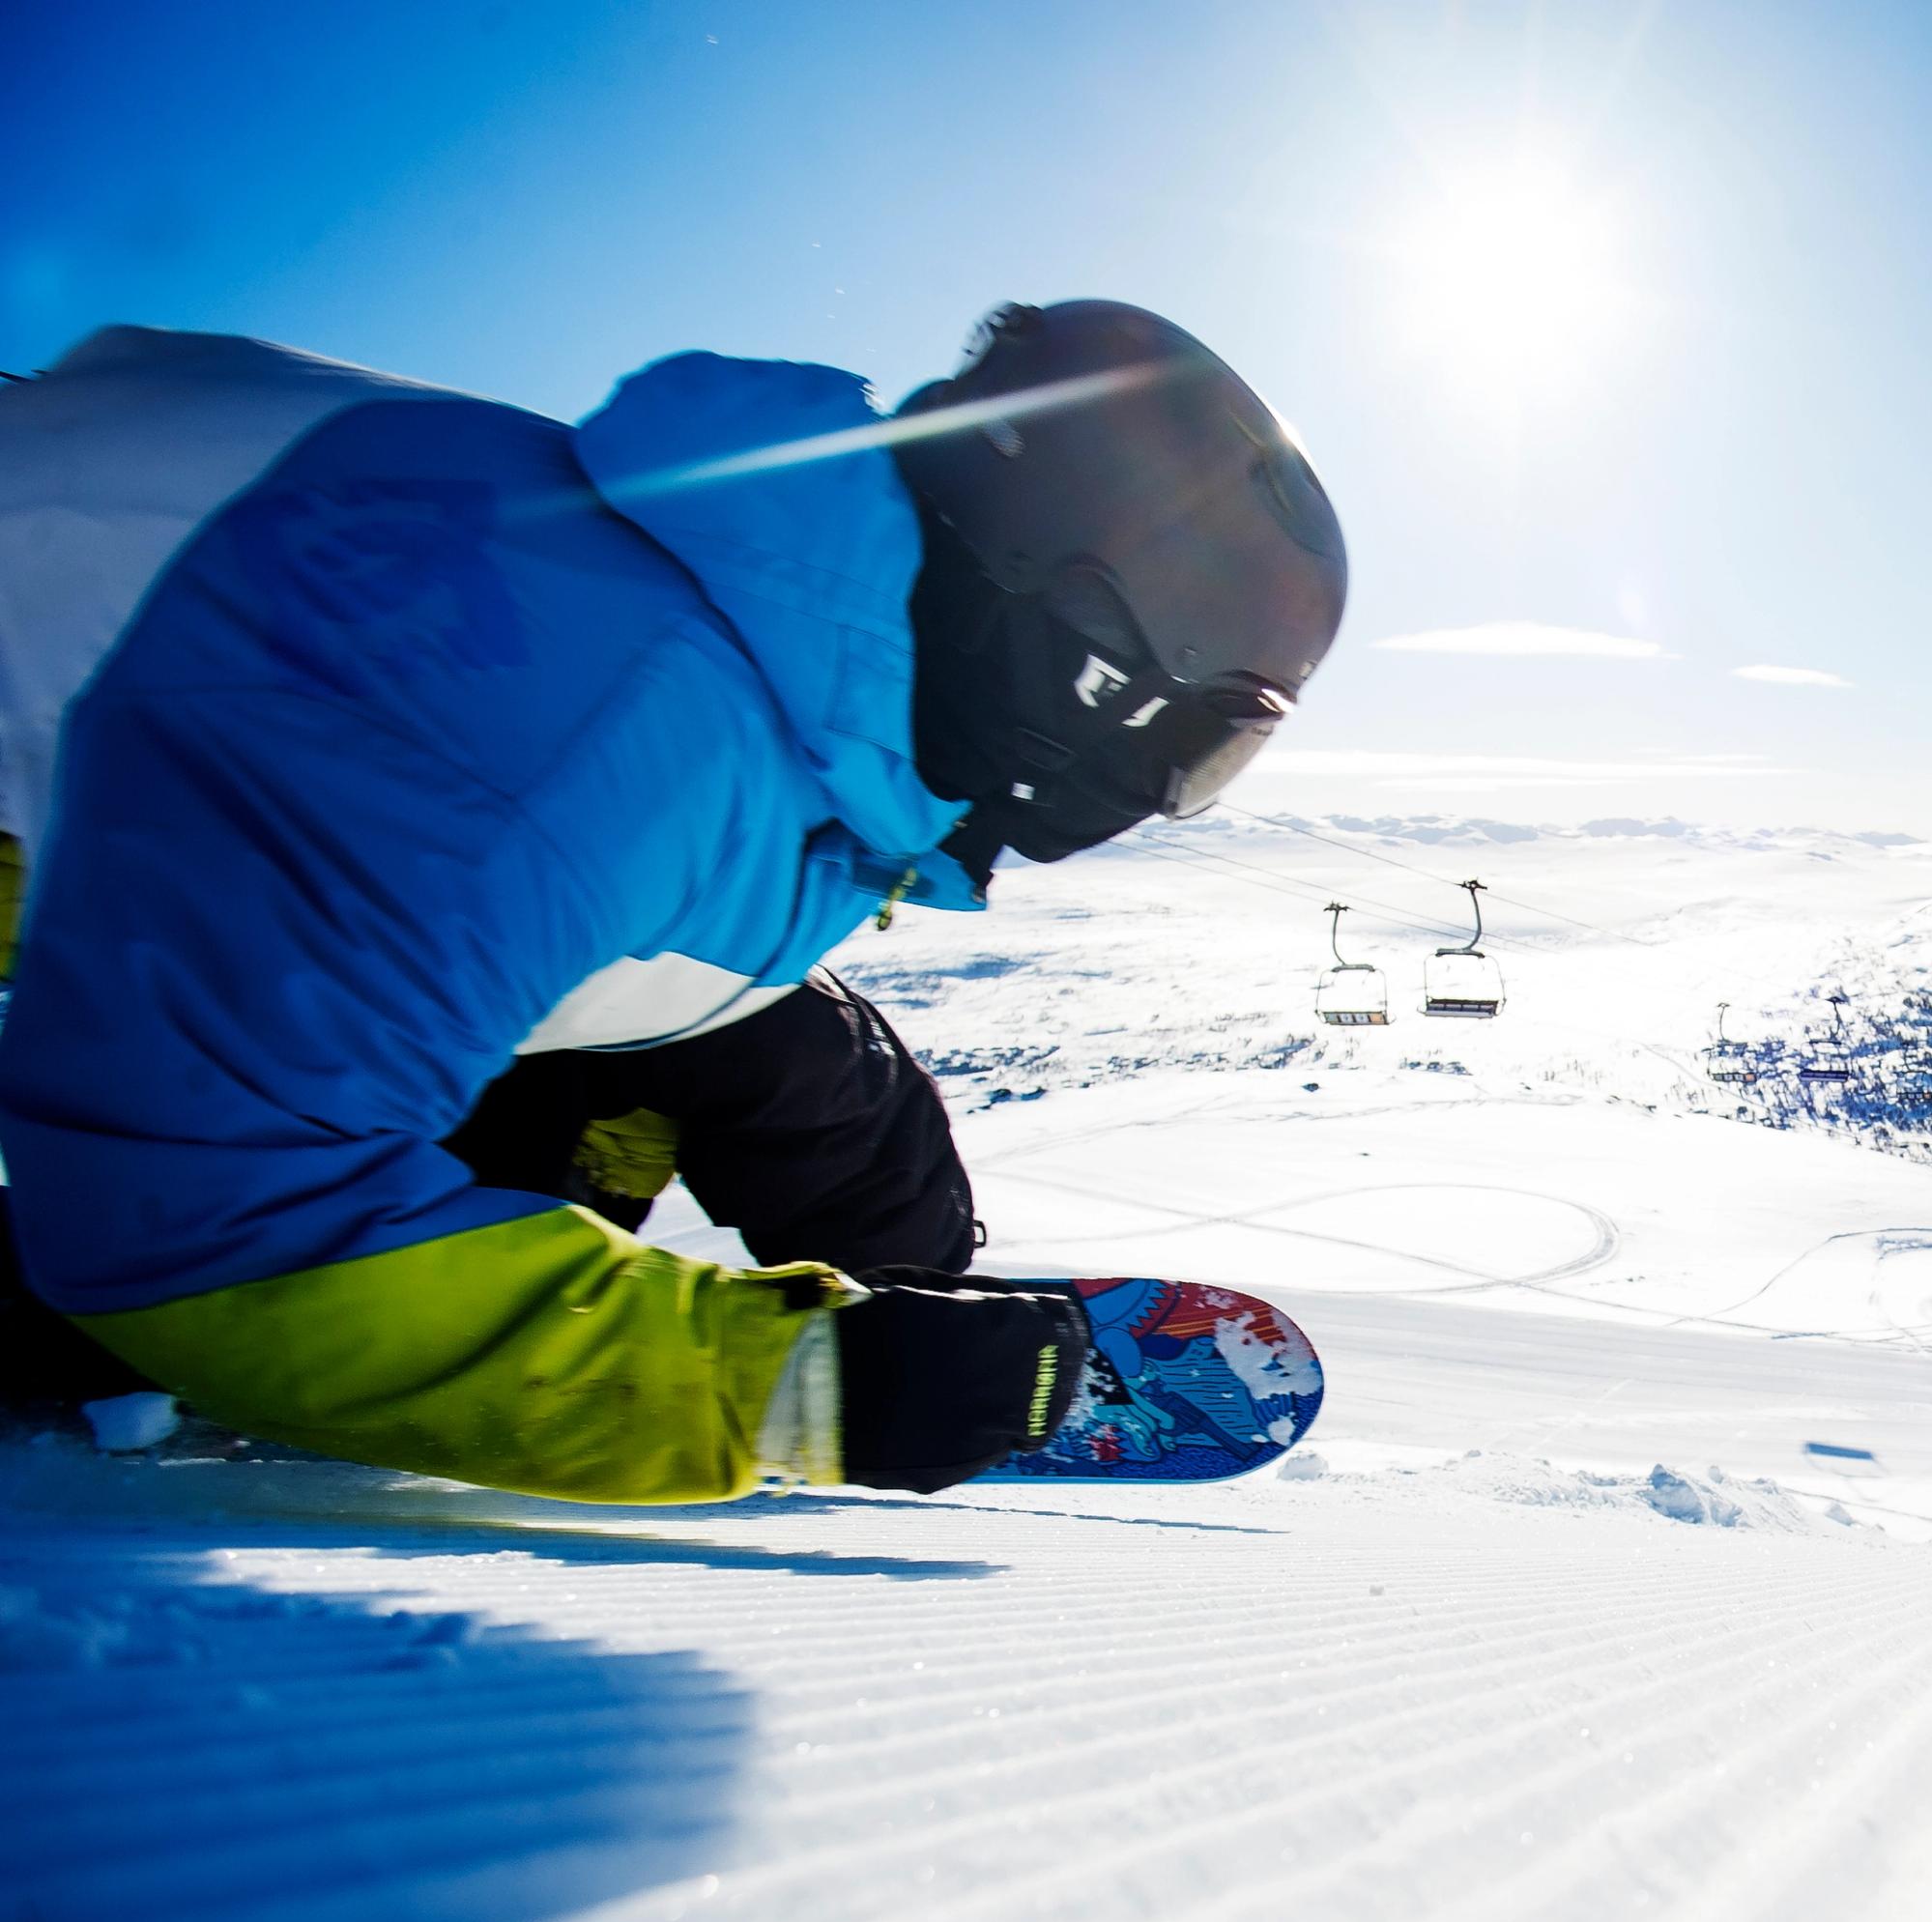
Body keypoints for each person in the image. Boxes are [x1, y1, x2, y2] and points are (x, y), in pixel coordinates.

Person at [0, 300, 1346, 1500]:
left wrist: (905, 1325)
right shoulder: (557, 740)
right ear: (1090, 660)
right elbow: (202, 1205)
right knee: (137, 1282)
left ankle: (921, 1326)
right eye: (1202, 751)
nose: (1171, 792)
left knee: (794, 1058)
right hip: (79, 924)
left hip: (182, 874)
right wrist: (795, 1389)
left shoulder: (790, 649)